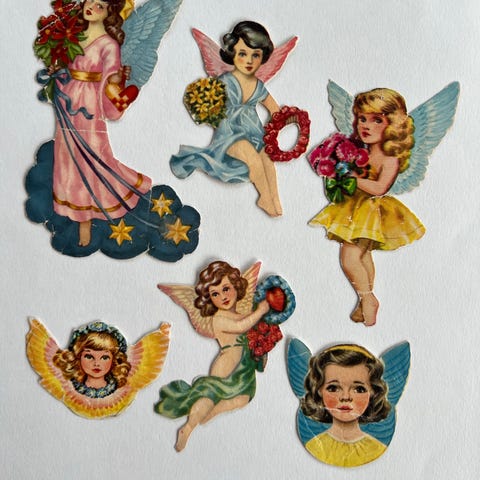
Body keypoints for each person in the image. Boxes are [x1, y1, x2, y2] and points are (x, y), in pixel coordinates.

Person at [309, 88, 425, 325]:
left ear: (393, 126)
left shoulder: (390, 158)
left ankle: (368, 298)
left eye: (376, 120)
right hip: (352, 207)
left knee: (349, 257)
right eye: (362, 118)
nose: (366, 126)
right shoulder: (361, 149)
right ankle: (364, 302)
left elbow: (380, 187)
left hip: (371, 211)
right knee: (363, 256)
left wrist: (352, 178)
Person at [52, 0, 152, 246]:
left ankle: (88, 218)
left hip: (89, 103)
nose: (91, 7)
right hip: (67, 98)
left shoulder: (109, 44)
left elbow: (110, 76)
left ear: (109, 12)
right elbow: (63, 62)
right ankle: (74, 213)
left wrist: (117, 79)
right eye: (90, 1)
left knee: (93, 154)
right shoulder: (73, 35)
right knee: (67, 155)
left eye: (100, 6)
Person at [170, 21, 283, 216]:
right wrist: (206, 111)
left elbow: (275, 110)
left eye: (255, 55)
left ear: (263, 57)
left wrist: (289, 120)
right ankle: (265, 197)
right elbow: (207, 102)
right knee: (253, 160)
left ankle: (274, 199)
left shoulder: (258, 85)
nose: (249, 61)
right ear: (232, 53)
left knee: (267, 161)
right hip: (230, 135)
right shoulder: (225, 81)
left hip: (255, 134)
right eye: (242, 54)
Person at [155, 261, 271, 451]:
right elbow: (241, 327)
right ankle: (188, 427)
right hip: (227, 364)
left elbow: (252, 329)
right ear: (208, 299)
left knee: (244, 398)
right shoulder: (218, 319)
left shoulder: (240, 312)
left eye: (226, 289)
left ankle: (211, 413)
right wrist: (260, 311)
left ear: (237, 286)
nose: (223, 297)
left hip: (245, 367)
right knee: (210, 394)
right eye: (215, 294)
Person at [301, 344, 391, 468]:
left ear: (373, 393)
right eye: (333, 388)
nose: (345, 397)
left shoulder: (377, 448)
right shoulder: (313, 446)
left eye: (359, 389)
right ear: (319, 390)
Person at [53, 322, 131, 398]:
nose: (96, 363)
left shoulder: (118, 391)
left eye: (104, 358)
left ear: (114, 360)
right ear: (78, 357)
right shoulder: (70, 388)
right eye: (89, 356)